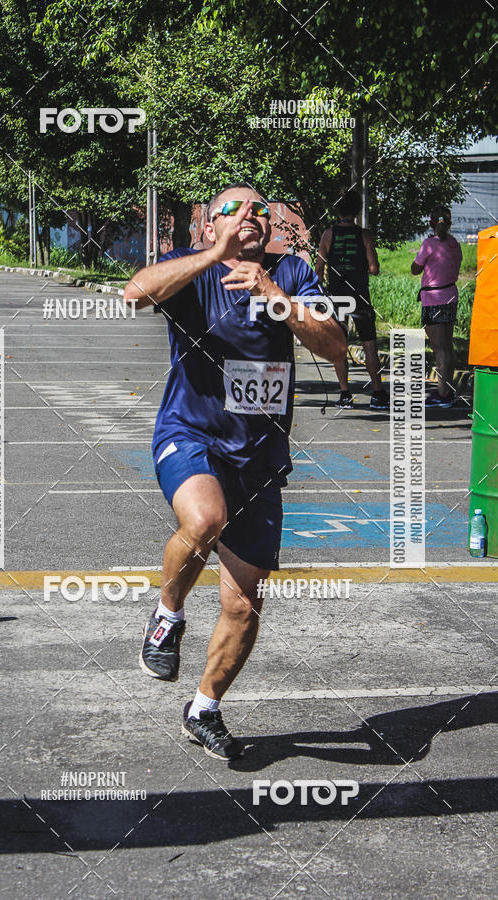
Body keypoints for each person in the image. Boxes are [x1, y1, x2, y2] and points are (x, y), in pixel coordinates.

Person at [123, 183, 347, 760]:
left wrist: (275, 295)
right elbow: (134, 293)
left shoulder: (290, 273)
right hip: (191, 435)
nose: (251, 214)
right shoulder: (190, 267)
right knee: (205, 520)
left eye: (260, 210)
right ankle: (168, 615)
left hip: (260, 459)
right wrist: (213, 256)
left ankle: (204, 708)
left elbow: (335, 346)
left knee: (244, 606)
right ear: (207, 226)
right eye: (234, 208)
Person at [316, 189, 389, 410]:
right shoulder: (364, 235)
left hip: (336, 296)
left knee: (339, 345)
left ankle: (345, 395)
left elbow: (318, 270)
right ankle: (377, 394)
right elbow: (374, 268)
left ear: (336, 210)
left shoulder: (328, 235)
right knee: (369, 345)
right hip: (360, 296)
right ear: (357, 210)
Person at [411, 205, 462, 408]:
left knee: (439, 348)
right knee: (448, 346)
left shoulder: (428, 244)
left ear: (431, 223)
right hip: (450, 295)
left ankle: (442, 394)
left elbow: (415, 269)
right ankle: (448, 390)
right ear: (449, 223)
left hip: (433, 298)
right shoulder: (455, 244)